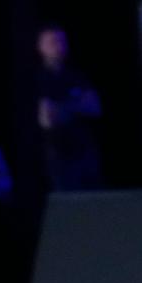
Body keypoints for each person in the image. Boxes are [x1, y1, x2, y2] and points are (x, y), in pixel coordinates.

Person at [35, 26, 102, 191]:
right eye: (52, 41)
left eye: (61, 41)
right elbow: (47, 119)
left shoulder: (76, 76)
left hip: (85, 149)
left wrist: (61, 108)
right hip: (57, 154)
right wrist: (76, 105)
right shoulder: (37, 79)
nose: (58, 45)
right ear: (40, 47)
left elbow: (94, 107)